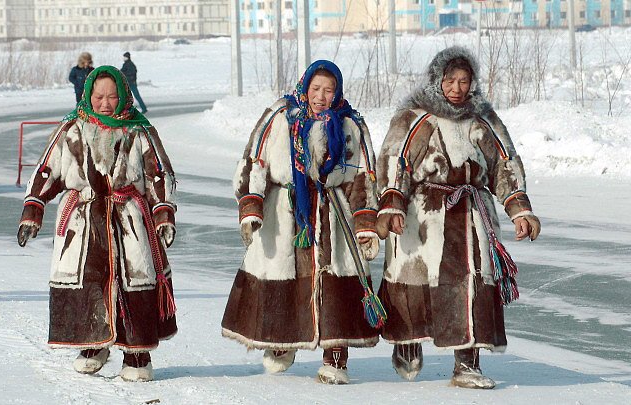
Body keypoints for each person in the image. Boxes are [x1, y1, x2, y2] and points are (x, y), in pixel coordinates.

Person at [375, 46, 541, 389]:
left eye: (465, 81)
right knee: (414, 281)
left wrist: (519, 209)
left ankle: (467, 363)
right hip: (423, 214)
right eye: (450, 80)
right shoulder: (415, 117)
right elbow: (395, 161)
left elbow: (504, 163)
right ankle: (407, 341)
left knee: (472, 283)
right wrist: (391, 204)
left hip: (471, 213)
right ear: (438, 80)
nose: (457, 88)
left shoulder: (483, 119)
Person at [221, 60, 380, 385]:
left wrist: (365, 223)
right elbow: (255, 160)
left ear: (337, 91)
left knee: (334, 281)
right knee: (283, 277)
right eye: (316, 89)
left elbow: (364, 176)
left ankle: (335, 356)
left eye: (329, 90)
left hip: (334, 211)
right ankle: (282, 342)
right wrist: (252, 206)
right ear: (305, 87)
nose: (321, 96)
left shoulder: (350, 125)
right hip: (285, 211)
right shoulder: (279, 118)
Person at [17, 65, 178, 382]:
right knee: (89, 281)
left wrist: (163, 215)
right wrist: (33, 209)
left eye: (112, 96)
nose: (105, 103)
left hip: (129, 218)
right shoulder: (72, 130)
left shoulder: (138, 131)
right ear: (88, 95)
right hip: (83, 220)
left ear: (123, 96)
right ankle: (93, 346)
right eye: (99, 96)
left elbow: (158, 175)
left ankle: (136, 354)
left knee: (132, 282)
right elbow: (48, 171)